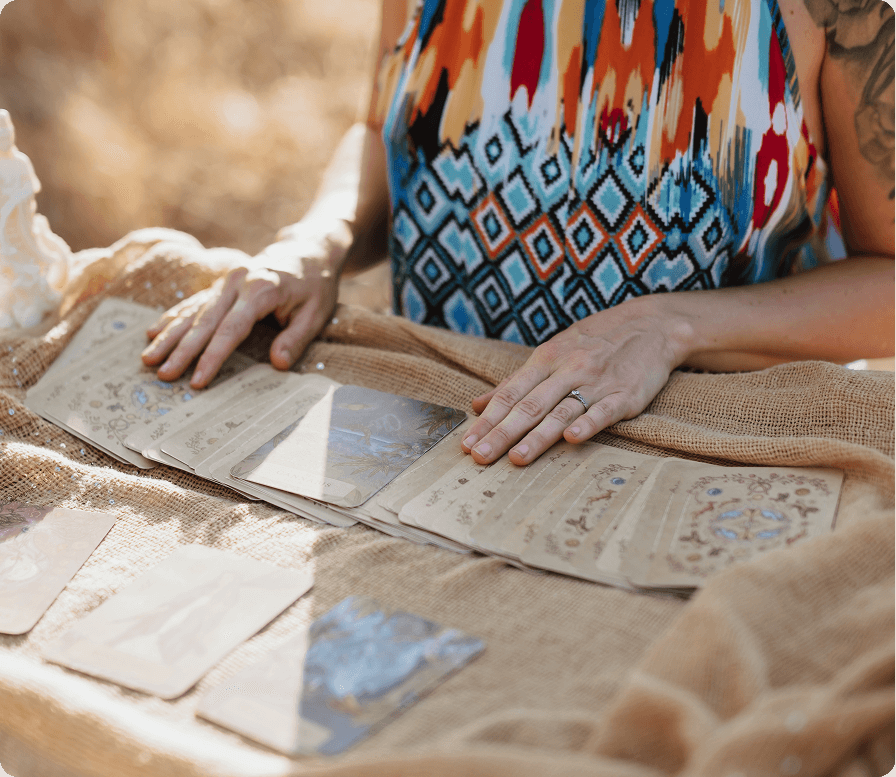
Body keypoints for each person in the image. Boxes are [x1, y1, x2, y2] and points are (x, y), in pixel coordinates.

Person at [142, 0, 894, 468]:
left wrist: (673, 326)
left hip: (694, 459)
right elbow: (387, 129)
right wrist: (321, 236)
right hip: (423, 432)